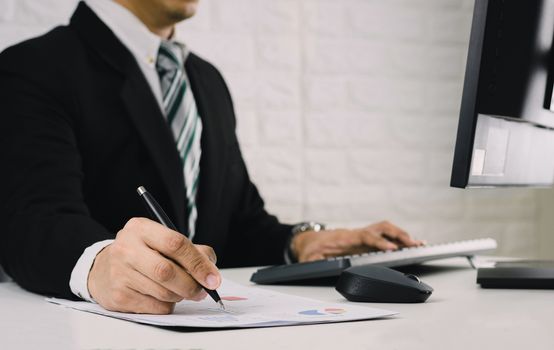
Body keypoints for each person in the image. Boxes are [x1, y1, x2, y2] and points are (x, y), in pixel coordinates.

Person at [0, 0, 423, 314]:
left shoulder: (205, 80)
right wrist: (99, 265)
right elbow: (31, 220)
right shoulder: (31, 68)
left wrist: (302, 242)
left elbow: (234, 224)